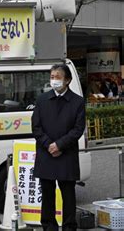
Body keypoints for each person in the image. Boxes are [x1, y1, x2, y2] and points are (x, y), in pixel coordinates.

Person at [32, 64, 85, 231]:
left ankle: (69, 226)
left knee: (68, 194)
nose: (54, 80)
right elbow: (36, 127)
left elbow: (78, 129)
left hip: (66, 153)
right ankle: (49, 226)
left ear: (67, 80)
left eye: (58, 77)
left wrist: (60, 145)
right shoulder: (42, 100)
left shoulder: (77, 101)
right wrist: (49, 145)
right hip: (46, 153)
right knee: (47, 194)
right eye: (52, 76)